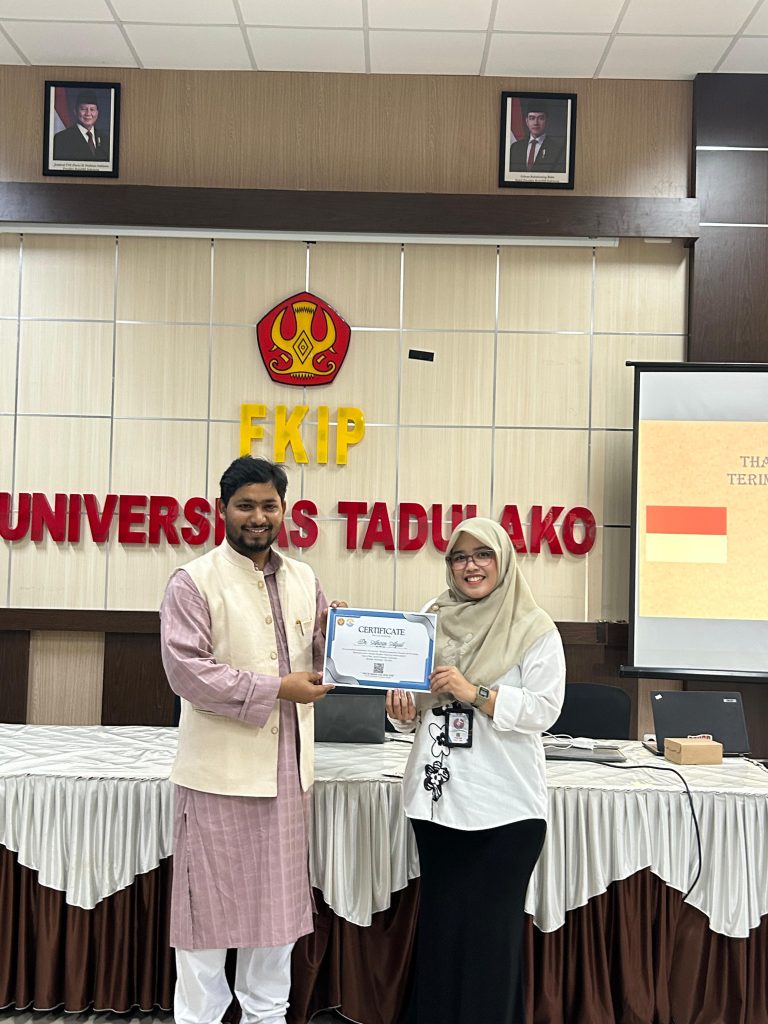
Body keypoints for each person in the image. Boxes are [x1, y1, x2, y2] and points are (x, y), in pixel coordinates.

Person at [160, 456, 342, 1024]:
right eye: (245, 506)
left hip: (287, 777)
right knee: (206, 923)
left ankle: (267, 1016)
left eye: (269, 505)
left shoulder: (305, 579)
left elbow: (327, 654)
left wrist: (352, 646)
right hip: (219, 777)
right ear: (222, 510)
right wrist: (278, 688)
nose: (258, 517)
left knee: (276, 923)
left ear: (285, 510)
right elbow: (188, 672)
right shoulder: (193, 581)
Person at [387, 517, 565, 1024]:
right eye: (460, 556)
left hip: (505, 808)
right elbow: (413, 709)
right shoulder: (430, 618)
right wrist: (401, 711)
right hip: (438, 802)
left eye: (482, 554)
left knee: (492, 939)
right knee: (442, 933)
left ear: (502, 559)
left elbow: (545, 709)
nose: (471, 566)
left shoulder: (532, 626)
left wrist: (477, 693)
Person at [53, 91, 110, 161]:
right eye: (83, 109)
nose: (88, 113)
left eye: (92, 109)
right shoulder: (61, 139)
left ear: (97, 113)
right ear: (75, 111)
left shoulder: (105, 139)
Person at [509, 103, 566, 173]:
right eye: (532, 118)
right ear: (527, 121)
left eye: (541, 118)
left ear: (547, 121)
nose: (536, 123)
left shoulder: (557, 150)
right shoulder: (515, 147)